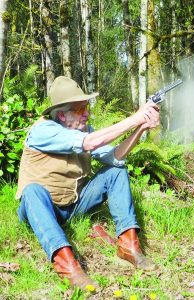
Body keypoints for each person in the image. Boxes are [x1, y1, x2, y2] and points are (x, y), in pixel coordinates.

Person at [16, 76, 160, 291]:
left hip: (73, 206)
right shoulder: (43, 131)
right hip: (40, 210)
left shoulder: (85, 130)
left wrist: (140, 126)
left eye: (87, 106)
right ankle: (67, 264)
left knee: (116, 170)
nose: (86, 112)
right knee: (33, 191)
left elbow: (115, 157)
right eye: (80, 108)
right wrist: (134, 117)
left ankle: (128, 245)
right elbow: (89, 143)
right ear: (62, 114)